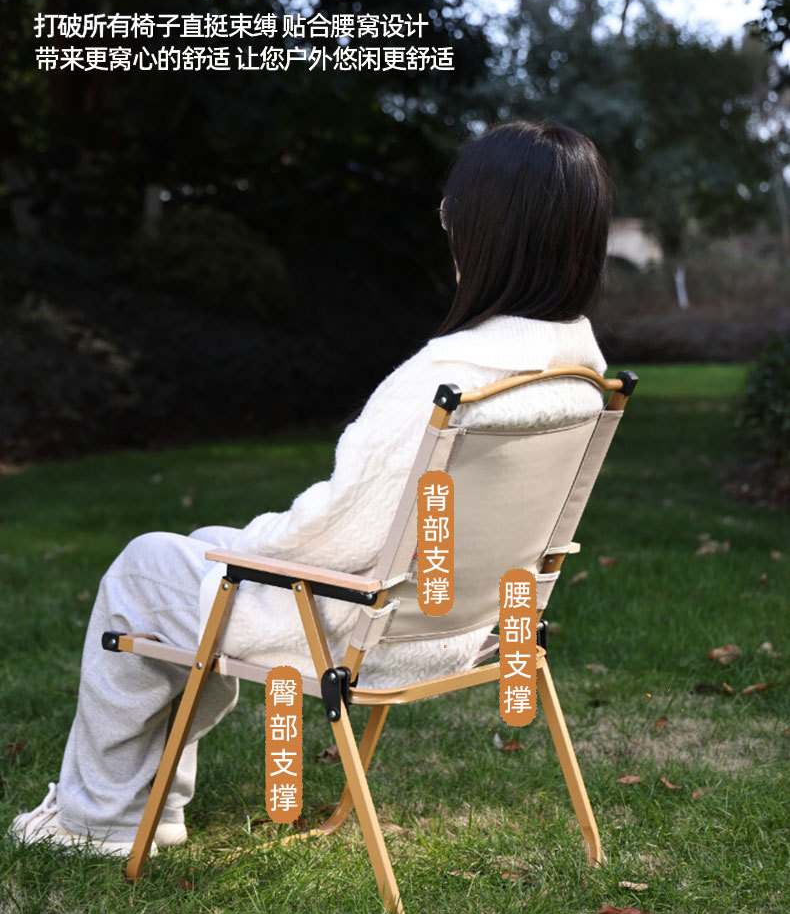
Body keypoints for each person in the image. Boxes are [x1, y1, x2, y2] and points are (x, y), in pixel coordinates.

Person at [10, 119, 612, 856]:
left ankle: (100, 818)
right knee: (194, 558)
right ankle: (146, 802)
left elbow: (334, 534)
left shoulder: (448, 382)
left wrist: (249, 544)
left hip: (361, 633)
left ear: (484, 235)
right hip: (466, 627)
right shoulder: (580, 379)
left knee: (143, 571)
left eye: (452, 218)